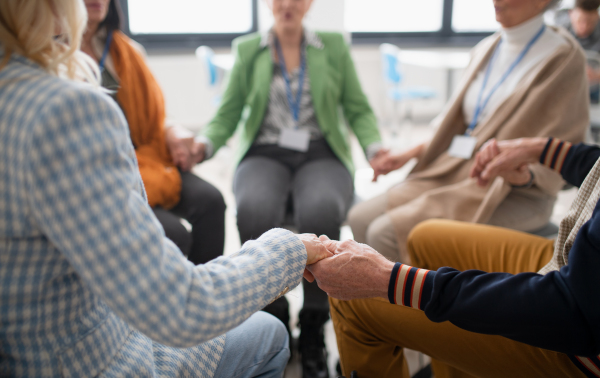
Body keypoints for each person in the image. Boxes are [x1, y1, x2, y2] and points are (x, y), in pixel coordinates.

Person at [0, 0, 332, 376]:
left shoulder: (101, 63)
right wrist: (289, 248)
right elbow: (180, 310)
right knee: (268, 331)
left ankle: (313, 325)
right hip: (86, 361)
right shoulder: (65, 109)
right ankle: (277, 312)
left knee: (265, 202)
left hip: (29, 350)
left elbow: (157, 114)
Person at [189, 0, 385, 375]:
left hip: (320, 150)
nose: (288, 4)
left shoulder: (333, 45)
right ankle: (273, 309)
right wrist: (204, 145)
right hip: (265, 151)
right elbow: (228, 112)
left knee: (322, 211)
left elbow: (357, 107)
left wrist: (374, 149)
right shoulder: (249, 49)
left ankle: (313, 322)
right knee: (254, 209)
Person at [308, 135, 600, 378]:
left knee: (356, 302)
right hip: (574, 260)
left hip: (579, 340)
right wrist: (541, 149)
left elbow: (572, 311)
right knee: (425, 235)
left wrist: (391, 279)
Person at [348, 0, 589, 264]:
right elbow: (461, 127)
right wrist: (409, 154)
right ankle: (373, 305)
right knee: (359, 218)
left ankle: (418, 304)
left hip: (511, 191)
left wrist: (524, 174)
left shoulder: (564, 58)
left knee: (385, 233)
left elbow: (564, 148)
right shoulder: (486, 48)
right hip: (453, 170)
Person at [80, 0, 226, 265]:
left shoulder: (125, 50)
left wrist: (172, 130)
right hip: (100, 170)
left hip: (143, 155)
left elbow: (153, 116)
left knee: (211, 201)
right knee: (172, 234)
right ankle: (175, 300)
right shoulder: (53, 56)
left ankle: (208, 293)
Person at [555, 0, 600, 102]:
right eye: (580, 21)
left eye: (590, 22)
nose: (584, 27)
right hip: (563, 87)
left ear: (597, 16)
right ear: (571, 14)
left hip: (593, 91)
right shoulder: (558, 30)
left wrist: (597, 75)